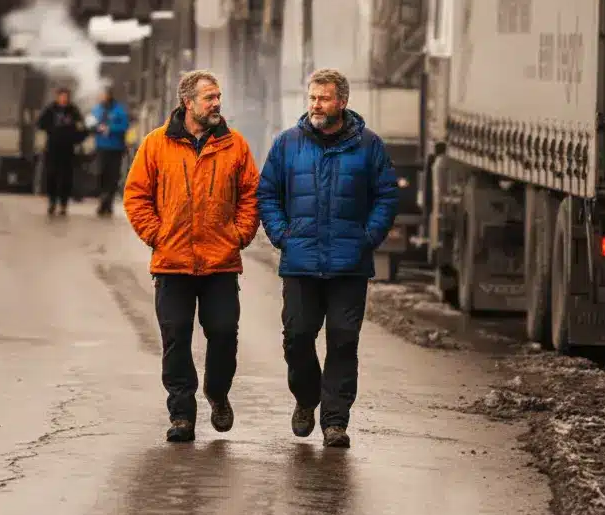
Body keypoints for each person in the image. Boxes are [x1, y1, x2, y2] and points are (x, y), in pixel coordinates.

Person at [257, 68, 399, 449]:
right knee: (297, 337)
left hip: (347, 265)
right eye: (312, 97)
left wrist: (366, 238)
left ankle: (335, 422)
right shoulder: (287, 144)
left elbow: (387, 196)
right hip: (301, 261)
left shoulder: (369, 145)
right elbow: (267, 193)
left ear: (342, 102)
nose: (316, 105)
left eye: (323, 98)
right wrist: (282, 235)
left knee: (343, 340)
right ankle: (306, 398)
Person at [122, 69, 261, 443]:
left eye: (218, 96)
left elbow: (251, 195)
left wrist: (240, 234)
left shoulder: (235, 146)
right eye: (209, 97)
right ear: (188, 103)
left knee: (223, 334)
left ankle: (217, 393)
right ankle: (182, 414)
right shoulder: (155, 144)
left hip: (220, 263)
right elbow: (135, 196)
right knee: (176, 337)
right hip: (172, 263)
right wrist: (156, 234)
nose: (217, 103)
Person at [37, 86, 86, 216]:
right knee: (51, 176)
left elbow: (82, 128)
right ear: (57, 97)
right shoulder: (50, 109)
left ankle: (63, 204)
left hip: (68, 149)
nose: (64, 99)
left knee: (66, 178)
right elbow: (40, 124)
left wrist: (77, 139)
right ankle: (52, 202)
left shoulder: (73, 111)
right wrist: (51, 130)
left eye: (66, 97)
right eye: (61, 96)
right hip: (53, 148)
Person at [90, 86, 131, 216]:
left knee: (112, 175)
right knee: (100, 173)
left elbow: (124, 126)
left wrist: (110, 128)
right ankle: (103, 198)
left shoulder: (119, 110)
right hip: (101, 146)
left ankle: (108, 202)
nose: (102, 97)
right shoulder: (97, 110)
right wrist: (96, 128)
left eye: (104, 94)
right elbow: (90, 124)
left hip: (115, 148)